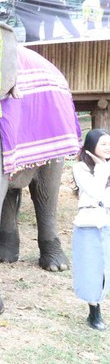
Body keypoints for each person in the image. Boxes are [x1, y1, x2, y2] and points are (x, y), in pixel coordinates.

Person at [72, 128, 110, 331]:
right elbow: (94, 192)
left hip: (108, 223)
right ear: (91, 146)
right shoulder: (80, 168)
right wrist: (102, 169)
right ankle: (94, 312)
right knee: (91, 269)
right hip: (89, 223)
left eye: (109, 144)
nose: (108, 148)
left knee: (106, 270)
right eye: (103, 144)